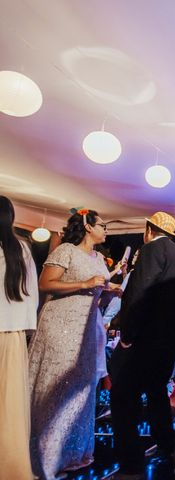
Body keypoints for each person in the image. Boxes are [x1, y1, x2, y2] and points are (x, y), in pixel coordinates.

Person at [29, 208, 114, 479]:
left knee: (82, 389)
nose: (105, 230)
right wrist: (84, 283)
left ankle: (73, 452)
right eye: (102, 225)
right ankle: (45, 455)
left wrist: (110, 289)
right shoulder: (65, 250)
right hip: (59, 324)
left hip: (87, 327)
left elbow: (96, 286)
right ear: (88, 226)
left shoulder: (99, 257)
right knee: (56, 386)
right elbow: (46, 284)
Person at [110, 212, 175, 478]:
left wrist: (127, 335)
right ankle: (167, 446)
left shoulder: (151, 249)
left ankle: (131, 463)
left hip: (146, 339)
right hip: (169, 341)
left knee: (122, 397)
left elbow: (138, 293)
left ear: (148, 230)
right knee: (156, 392)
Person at [0, 196, 38, 480]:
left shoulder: (20, 248)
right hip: (11, 332)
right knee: (10, 406)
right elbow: (30, 295)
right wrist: (26, 329)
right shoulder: (20, 249)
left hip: (11, 329)